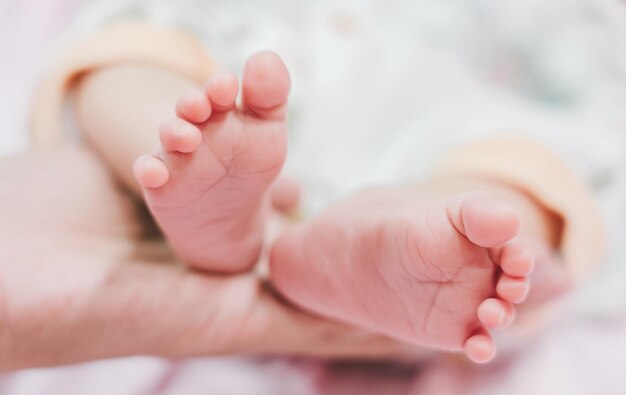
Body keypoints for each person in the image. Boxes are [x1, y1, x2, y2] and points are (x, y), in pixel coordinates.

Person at [21, 20, 603, 367]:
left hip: (437, 87)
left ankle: (407, 239)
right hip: (260, 62)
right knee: (137, 53)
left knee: (518, 171)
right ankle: (211, 190)